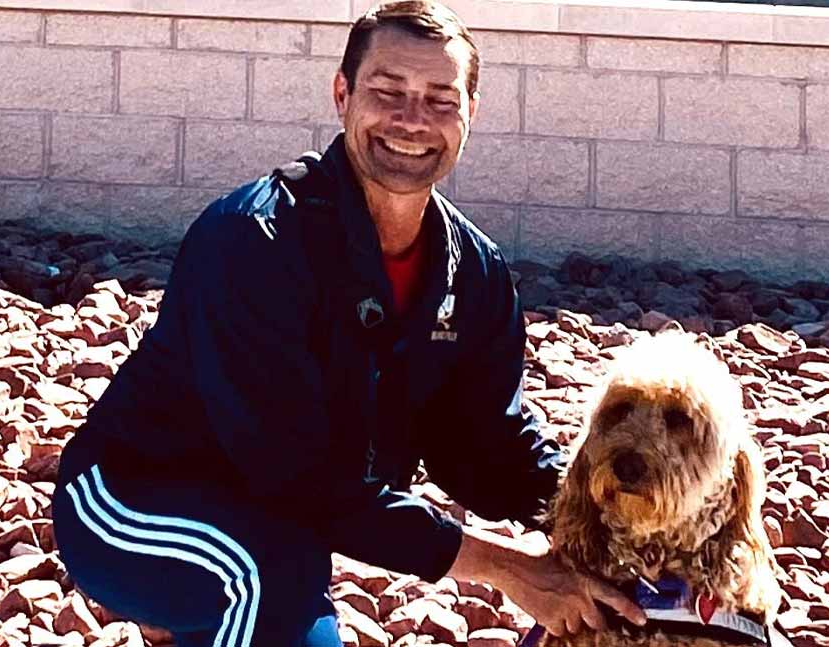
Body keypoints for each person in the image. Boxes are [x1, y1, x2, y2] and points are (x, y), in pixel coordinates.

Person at [50, 2, 646, 645]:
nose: (412, 121)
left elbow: (490, 444)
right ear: (342, 94)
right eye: (388, 92)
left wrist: (603, 513)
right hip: (135, 502)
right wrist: (507, 569)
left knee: (277, 567)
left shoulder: (474, 270)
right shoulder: (256, 238)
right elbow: (290, 474)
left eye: (440, 100)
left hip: (280, 527)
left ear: (472, 113)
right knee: (267, 576)